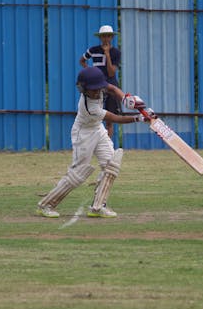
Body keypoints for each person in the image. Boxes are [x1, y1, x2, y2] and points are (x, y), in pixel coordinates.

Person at [36, 67, 149, 219]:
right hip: (83, 134)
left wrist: (125, 99)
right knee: (78, 174)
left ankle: (98, 207)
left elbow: (113, 89)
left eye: (98, 89)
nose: (97, 92)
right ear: (83, 89)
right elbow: (115, 119)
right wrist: (139, 118)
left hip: (97, 129)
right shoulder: (89, 107)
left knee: (111, 165)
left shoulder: (99, 86)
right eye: (93, 90)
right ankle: (46, 205)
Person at [80, 24, 122, 140]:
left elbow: (111, 73)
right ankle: (94, 143)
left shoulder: (116, 53)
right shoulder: (93, 50)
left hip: (110, 87)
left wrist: (107, 54)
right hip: (96, 88)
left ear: (112, 37)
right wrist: (90, 72)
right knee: (94, 118)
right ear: (100, 37)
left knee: (109, 120)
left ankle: (107, 147)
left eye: (108, 36)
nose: (106, 39)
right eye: (103, 36)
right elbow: (82, 60)